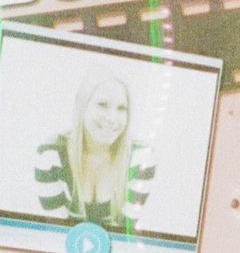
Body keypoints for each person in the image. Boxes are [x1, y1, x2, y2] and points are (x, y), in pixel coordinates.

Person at [35, 70, 156, 231]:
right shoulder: (51, 156)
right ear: (81, 105)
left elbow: (124, 235)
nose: (112, 118)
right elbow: (58, 232)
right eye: (102, 105)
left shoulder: (142, 159)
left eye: (121, 108)